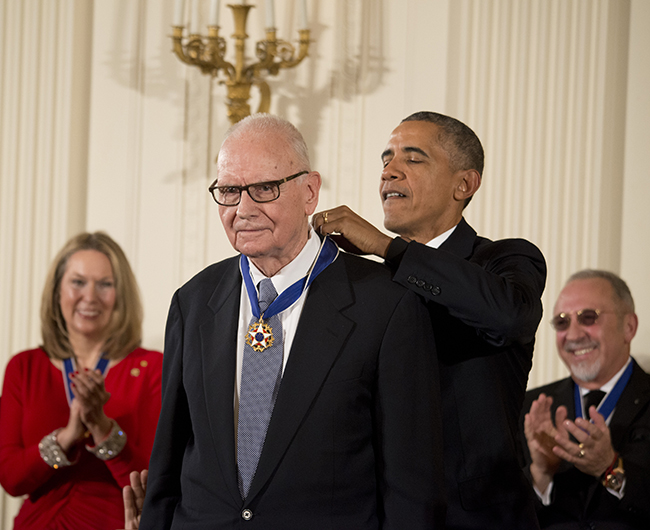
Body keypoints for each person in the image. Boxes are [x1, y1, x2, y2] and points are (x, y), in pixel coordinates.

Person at [138, 113, 446, 529]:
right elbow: (168, 465)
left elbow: (410, 486)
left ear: (309, 192)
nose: (243, 209)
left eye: (264, 188)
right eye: (229, 191)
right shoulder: (192, 302)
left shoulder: (386, 305)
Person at [312, 110, 547, 529]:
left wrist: (389, 248)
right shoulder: (362, 281)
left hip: (474, 517)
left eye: (413, 159)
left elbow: (508, 316)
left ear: (465, 184)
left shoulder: (504, 260)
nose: (390, 171)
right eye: (386, 159)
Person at [0, 232, 163, 530]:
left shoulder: (153, 368)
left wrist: (101, 426)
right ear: (57, 292)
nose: (90, 296)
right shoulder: (23, 367)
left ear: (120, 296)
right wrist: (68, 435)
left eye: (105, 284)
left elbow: (154, 480)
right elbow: (11, 478)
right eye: (78, 282)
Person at [520, 269, 650, 529]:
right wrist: (541, 473)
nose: (574, 334)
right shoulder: (529, 406)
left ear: (629, 327)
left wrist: (611, 468)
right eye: (561, 322)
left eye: (588, 317)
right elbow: (500, 515)